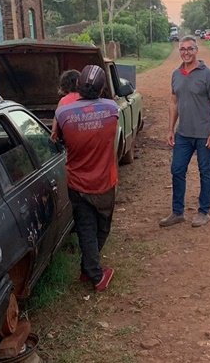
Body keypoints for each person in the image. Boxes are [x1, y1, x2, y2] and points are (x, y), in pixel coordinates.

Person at [55, 65, 119, 291]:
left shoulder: (62, 113)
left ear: (78, 84)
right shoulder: (112, 109)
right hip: (104, 181)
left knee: (85, 226)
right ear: (102, 89)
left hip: (76, 182)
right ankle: (94, 274)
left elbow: (57, 138)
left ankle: (88, 269)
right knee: (102, 226)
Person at [159, 35, 210, 228]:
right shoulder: (176, 74)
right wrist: (170, 129)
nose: (186, 52)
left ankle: (203, 211)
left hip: (204, 134)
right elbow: (174, 103)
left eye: (189, 49)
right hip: (183, 134)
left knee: (206, 172)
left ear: (196, 50)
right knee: (177, 169)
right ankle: (177, 212)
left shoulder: (209, 75)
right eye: (182, 49)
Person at [50, 69, 81, 143]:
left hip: (71, 138)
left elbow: (56, 119)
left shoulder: (63, 101)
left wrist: (54, 132)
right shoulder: (85, 97)